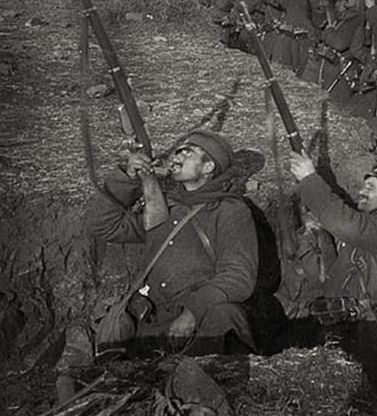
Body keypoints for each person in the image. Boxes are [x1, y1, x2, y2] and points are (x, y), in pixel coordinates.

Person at [90, 130, 259, 354]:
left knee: (226, 315)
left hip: (196, 324)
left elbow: (238, 276)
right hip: (151, 322)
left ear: (208, 167)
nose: (177, 156)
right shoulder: (164, 207)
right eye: (178, 151)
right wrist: (127, 178)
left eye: (188, 153)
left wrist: (193, 312)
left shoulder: (229, 211)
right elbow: (104, 226)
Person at [279, 153, 377, 319]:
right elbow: (331, 277)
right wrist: (311, 240)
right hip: (344, 317)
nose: (361, 191)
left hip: (362, 325)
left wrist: (309, 178)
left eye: (370, 187)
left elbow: (344, 222)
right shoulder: (375, 229)